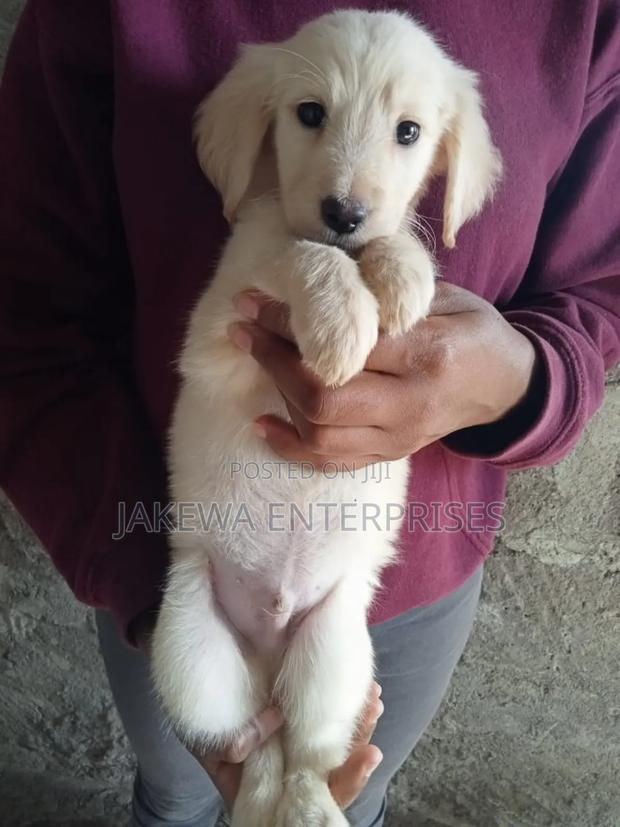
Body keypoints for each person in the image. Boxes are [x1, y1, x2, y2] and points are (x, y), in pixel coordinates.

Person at [0, 2, 618, 826]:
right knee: (180, 789)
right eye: (312, 115)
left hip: (379, 585)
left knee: (335, 784)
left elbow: (594, 297)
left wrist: (520, 383)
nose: (347, 189)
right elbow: (26, 311)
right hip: (170, 562)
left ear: (446, 153)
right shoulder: (254, 223)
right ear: (262, 123)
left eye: (407, 132)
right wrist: (131, 574)